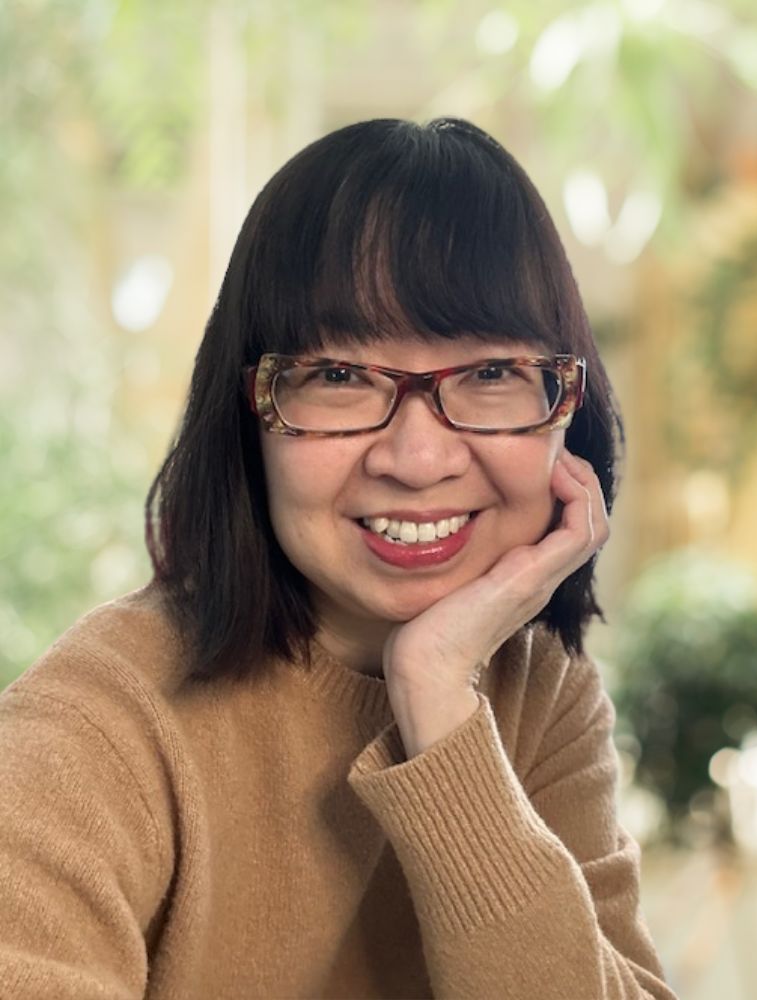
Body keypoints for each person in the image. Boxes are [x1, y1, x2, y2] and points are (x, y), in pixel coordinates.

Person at [0, 117, 675, 999]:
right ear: (250, 410)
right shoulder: (98, 724)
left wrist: (437, 693)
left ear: (565, 411)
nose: (418, 457)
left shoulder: (540, 696)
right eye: (341, 377)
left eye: (490, 374)